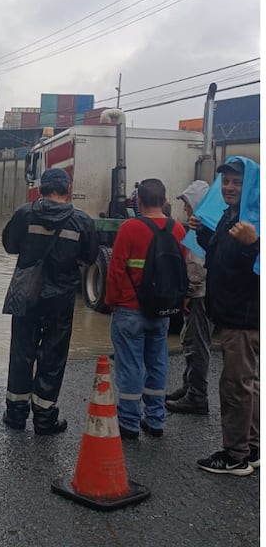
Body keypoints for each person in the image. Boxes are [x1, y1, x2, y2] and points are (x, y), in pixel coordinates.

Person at [0, 168, 98, 435]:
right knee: (53, 357)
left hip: (27, 295)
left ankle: (16, 414)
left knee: (22, 352)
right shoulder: (82, 221)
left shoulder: (25, 213)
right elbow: (90, 258)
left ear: (42, 188)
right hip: (61, 299)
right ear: (67, 189)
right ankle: (45, 419)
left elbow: (9, 245)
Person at [189, 157, 260, 476]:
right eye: (226, 181)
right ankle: (252, 446)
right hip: (228, 313)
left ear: (251, 186)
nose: (229, 187)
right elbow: (218, 256)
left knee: (235, 385)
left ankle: (235, 455)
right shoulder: (227, 217)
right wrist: (202, 233)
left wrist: (254, 244)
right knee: (248, 384)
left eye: (237, 182)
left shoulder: (254, 220)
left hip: (244, 318)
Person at [106, 178, 188, 439]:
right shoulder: (179, 231)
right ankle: (155, 419)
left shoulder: (130, 228)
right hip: (162, 312)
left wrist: (112, 303)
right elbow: (182, 272)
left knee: (130, 366)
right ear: (165, 202)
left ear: (137, 202)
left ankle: (129, 422)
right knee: (158, 363)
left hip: (130, 310)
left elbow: (116, 270)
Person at [167, 180, 212, 415]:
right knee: (189, 339)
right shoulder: (204, 225)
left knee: (197, 343)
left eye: (186, 203)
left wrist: (189, 292)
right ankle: (189, 387)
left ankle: (197, 396)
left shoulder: (202, 227)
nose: (184, 209)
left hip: (201, 295)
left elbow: (197, 266)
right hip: (200, 293)